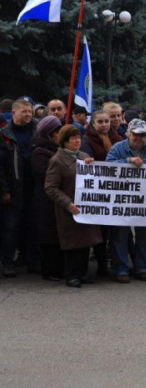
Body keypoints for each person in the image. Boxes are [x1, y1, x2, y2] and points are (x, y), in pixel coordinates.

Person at [44, 125, 103, 288]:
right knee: (72, 243)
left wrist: (92, 166)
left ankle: (82, 273)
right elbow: (50, 187)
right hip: (68, 208)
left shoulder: (84, 156)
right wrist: (67, 203)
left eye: (79, 138)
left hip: (85, 206)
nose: (77, 141)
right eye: (73, 138)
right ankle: (71, 275)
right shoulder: (57, 160)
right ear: (64, 141)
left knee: (85, 241)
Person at [106, 119, 146, 283]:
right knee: (120, 236)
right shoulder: (117, 148)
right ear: (129, 133)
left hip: (145, 201)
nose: (138, 137)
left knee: (144, 236)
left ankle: (142, 268)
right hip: (121, 200)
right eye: (135, 134)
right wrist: (128, 161)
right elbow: (107, 166)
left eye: (142, 135)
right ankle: (121, 269)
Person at [81, 109, 122, 276]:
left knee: (114, 228)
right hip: (98, 190)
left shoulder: (117, 138)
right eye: (100, 122)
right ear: (93, 123)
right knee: (100, 229)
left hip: (116, 189)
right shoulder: (86, 140)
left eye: (107, 121)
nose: (104, 124)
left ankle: (115, 262)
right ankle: (102, 265)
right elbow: (85, 159)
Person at [0, 99, 38, 277]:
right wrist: (4, 190)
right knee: (10, 227)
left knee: (32, 225)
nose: (28, 114)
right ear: (14, 113)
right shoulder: (4, 135)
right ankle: (8, 262)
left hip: (33, 187)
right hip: (13, 188)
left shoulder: (37, 131)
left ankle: (31, 259)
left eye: (30, 111)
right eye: (24, 111)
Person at [31, 116, 65, 281]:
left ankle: (59, 268)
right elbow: (47, 176)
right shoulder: (40, 153)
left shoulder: (58, 150)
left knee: (58, 235)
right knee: (48, 236)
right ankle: (50, 270)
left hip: (57, 199)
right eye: (59, 132)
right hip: (45, 201)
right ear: (50, 134)